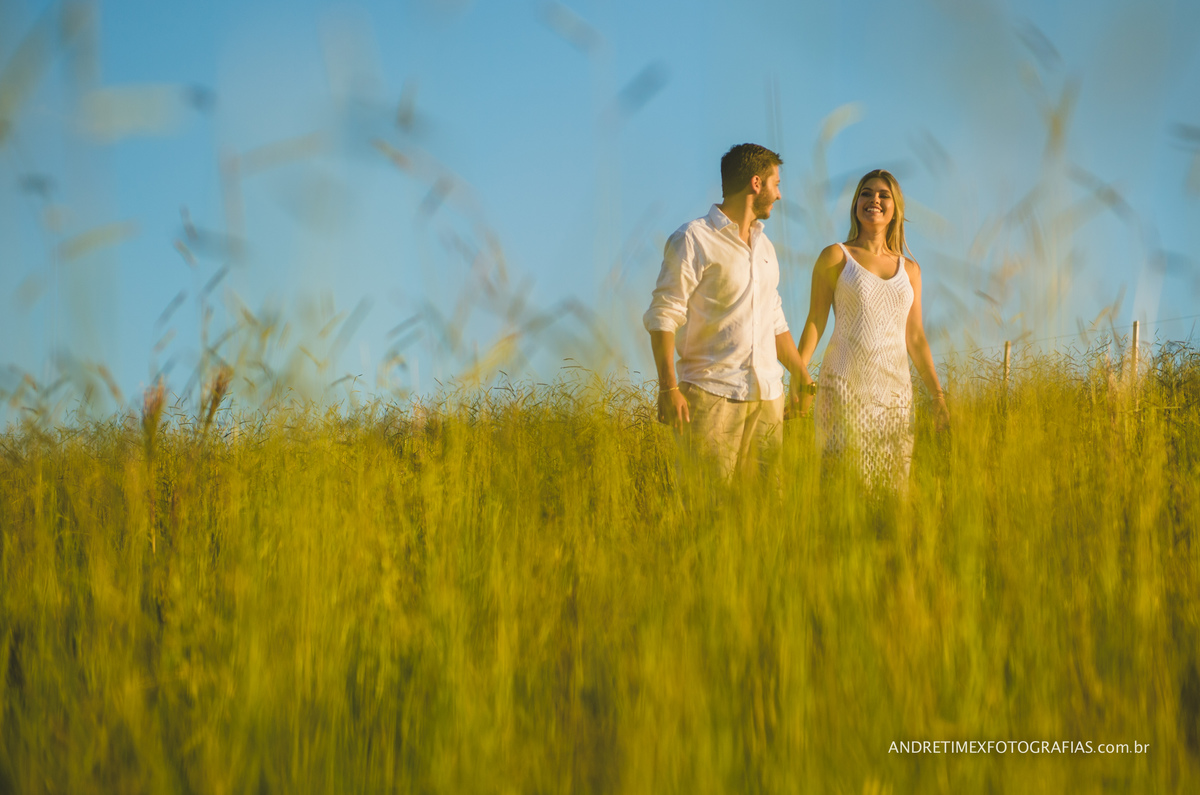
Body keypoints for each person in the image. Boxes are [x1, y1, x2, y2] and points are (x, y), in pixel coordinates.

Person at [644, 143, 808, 480]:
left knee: (766, 514)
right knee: (708, 510)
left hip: (767, 398)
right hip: (710, 396)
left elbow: (773, 316)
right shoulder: (693, 238)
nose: (779, 195)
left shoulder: (765, 246)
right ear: (756, 183)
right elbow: (664, 313)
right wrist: (668, 388)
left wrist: (801, 375)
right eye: (776, 184)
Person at [794, 169, 948, 492]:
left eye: (883, 195)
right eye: (866, 193)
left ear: (895, 209)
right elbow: (815, 320)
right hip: (844, 391)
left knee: (891, 496)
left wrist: (937, 396)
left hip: (895, 398)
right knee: (840, 492)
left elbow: (916, 337)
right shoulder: (836, 256)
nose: (873, 200)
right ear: (855, 204)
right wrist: (799, 374)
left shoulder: (911, 270)